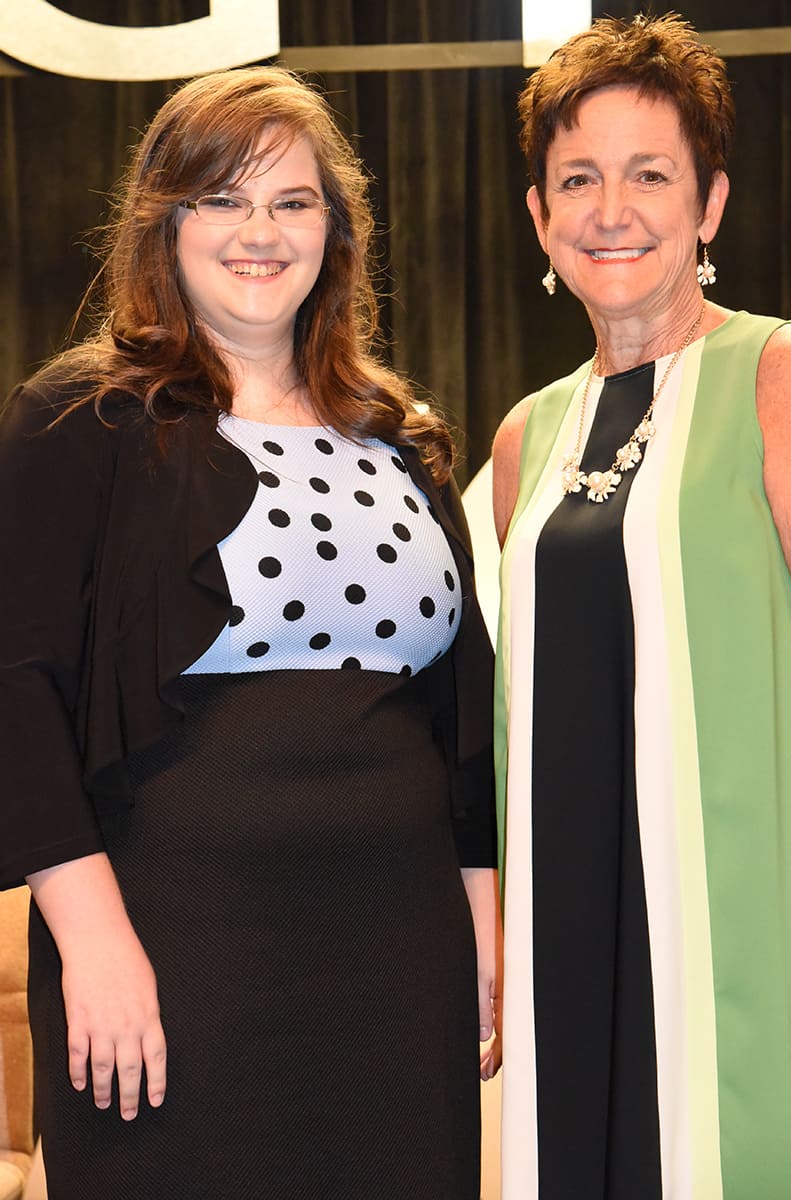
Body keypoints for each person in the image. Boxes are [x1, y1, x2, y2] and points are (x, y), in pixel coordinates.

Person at [0, 65, 501, 1199]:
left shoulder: (401, 439)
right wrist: (95, 946)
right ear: (163, 224)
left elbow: (458, 713)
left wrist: (482, 921)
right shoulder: (81, 419)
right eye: (220, 199)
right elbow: (15, 689)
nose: (258, 232)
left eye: (291, 200)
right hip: (173, 951)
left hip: (397, 953)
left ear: (337, 228)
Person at [492, 13, 791, 1199]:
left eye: (650, 173)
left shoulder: (786, 374)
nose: (613, 208)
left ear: (708, 203)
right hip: (571, 942)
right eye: (579, 178)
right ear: (539, 217)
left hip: (763, 929)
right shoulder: (525, 437)